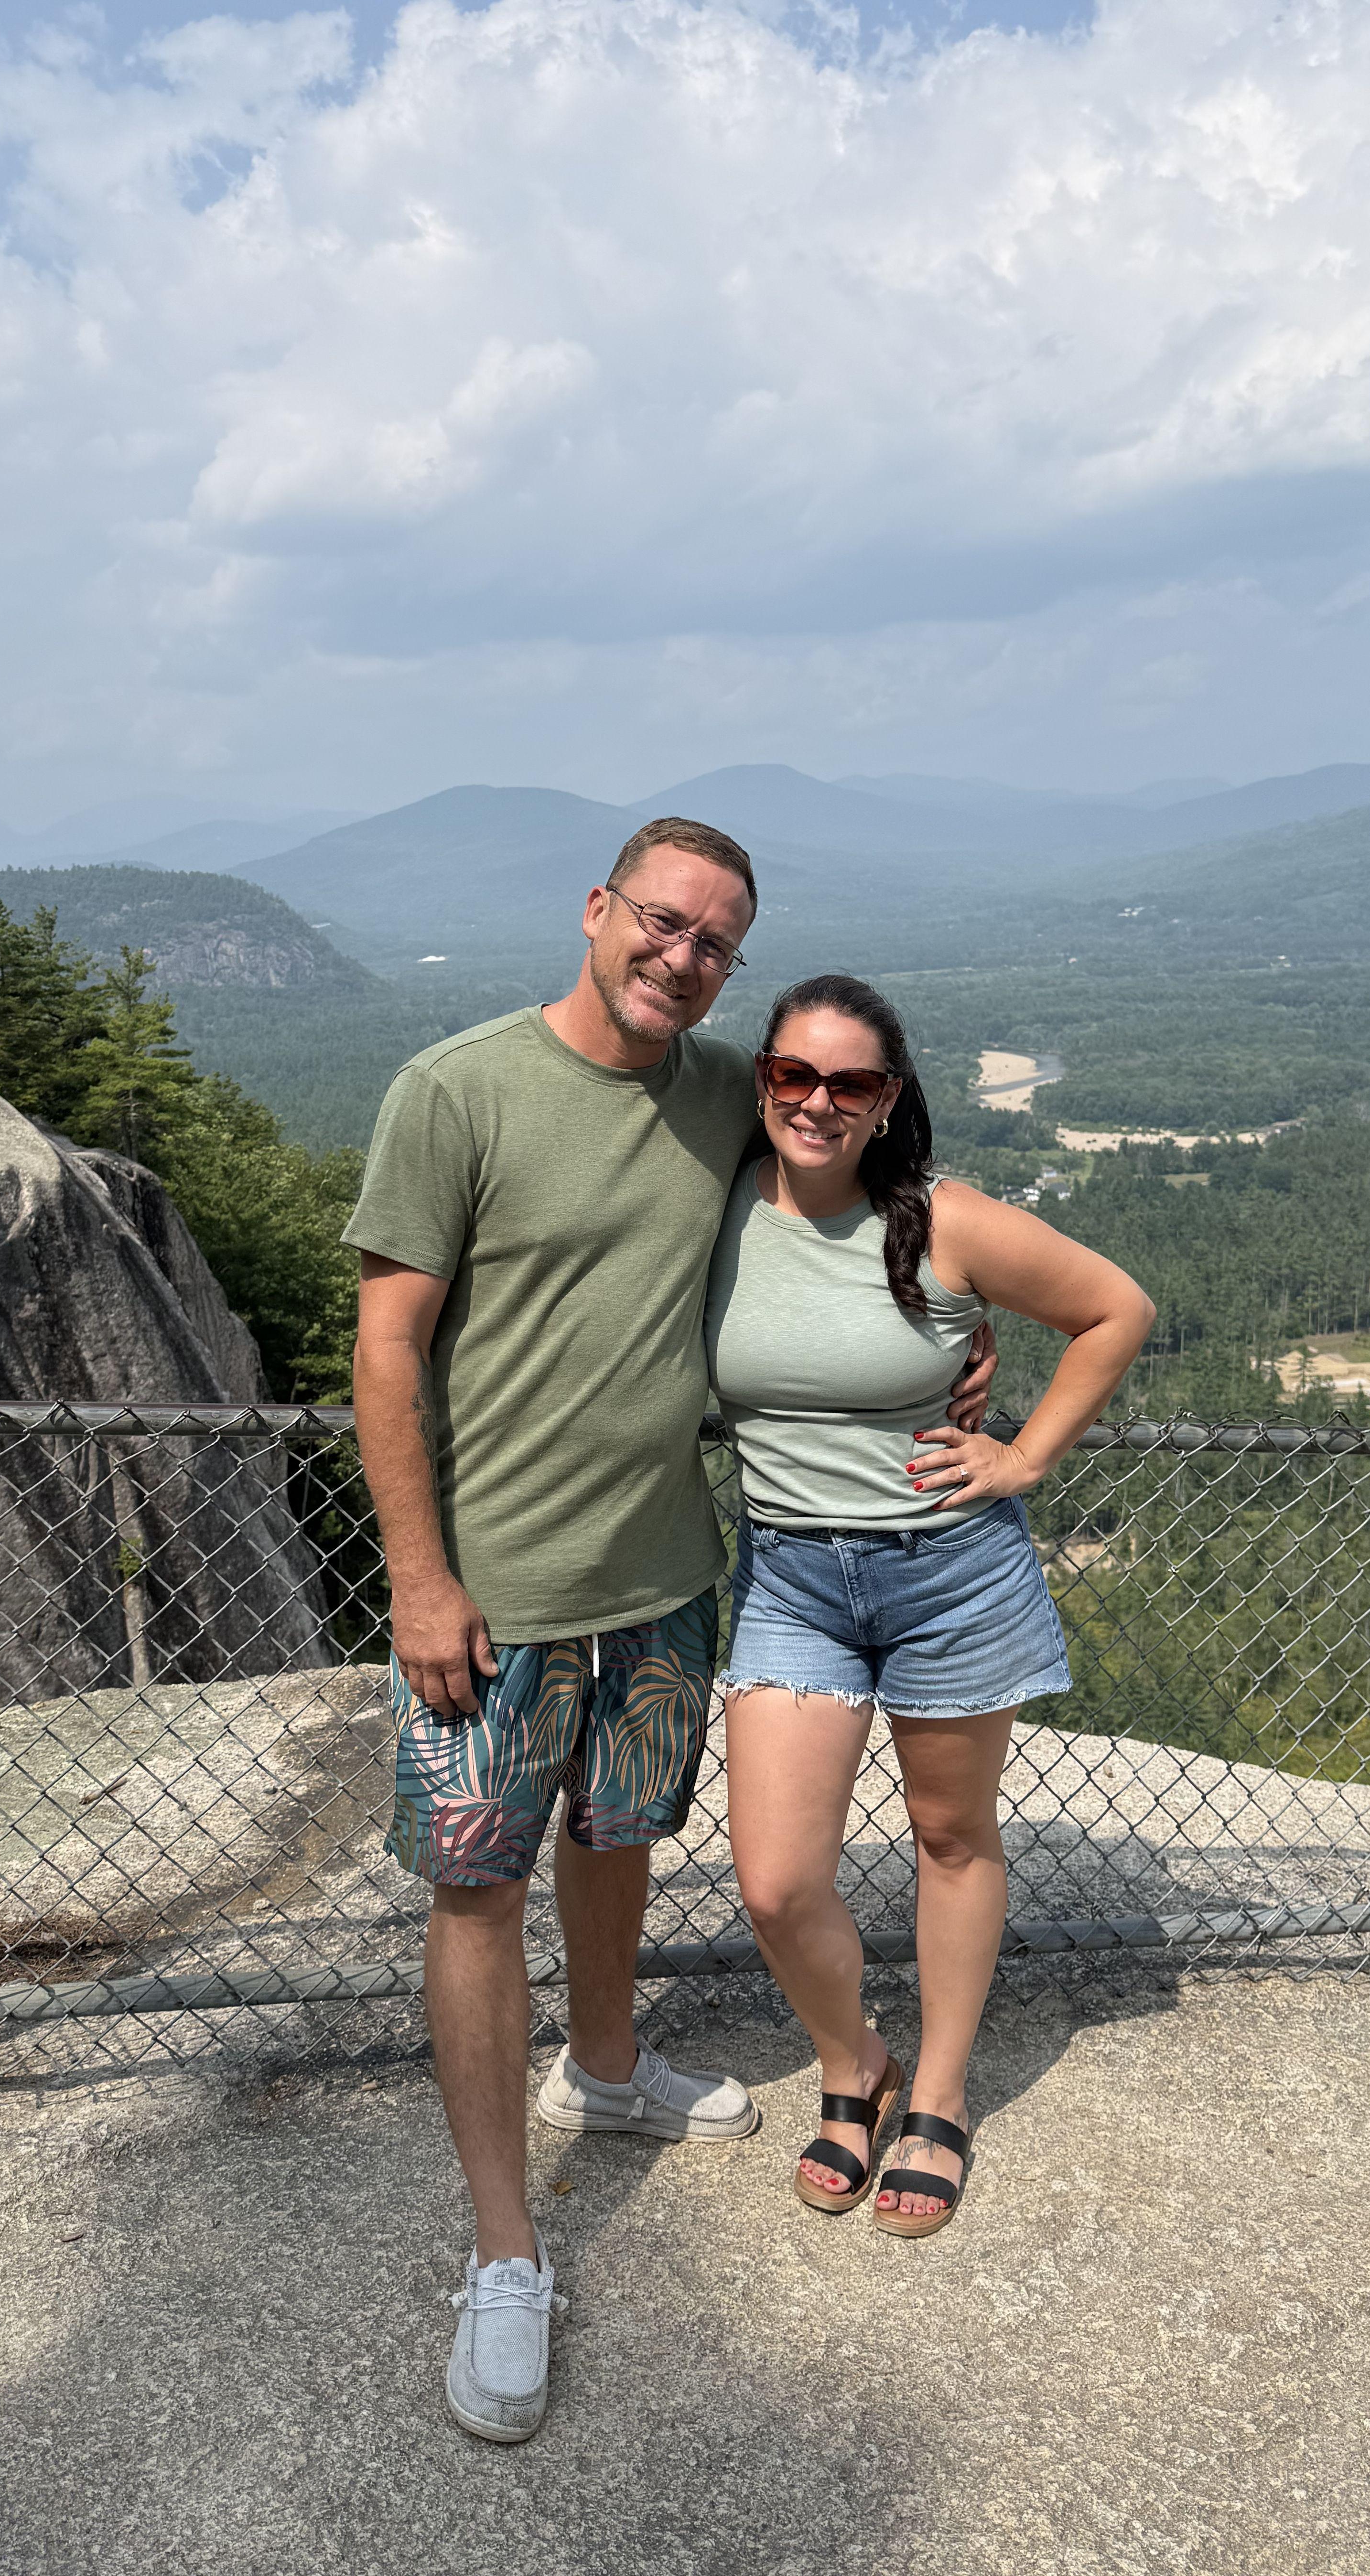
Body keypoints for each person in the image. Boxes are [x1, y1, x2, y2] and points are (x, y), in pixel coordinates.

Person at [343, 829, 993, 2441]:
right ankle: (507, 2252)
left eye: (716, 941)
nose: (682, 955)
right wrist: (418, 1578)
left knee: (617, 1835)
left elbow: (856, 1215)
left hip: (664, 1581)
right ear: (596, 913)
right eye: (661, 921)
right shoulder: (458, 1089)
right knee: (477, 1889)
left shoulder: (728, 1094)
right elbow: (384, 1346)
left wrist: (956, 1354)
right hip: (491, 1596)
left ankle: (611, 2066)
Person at [706, 973, 1154, 2239]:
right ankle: (855, 2064)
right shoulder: (716, 1210)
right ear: (762, 1081)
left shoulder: (941, 1221)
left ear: (889, 1098)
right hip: (793, 1574)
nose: (818, 1102)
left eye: (851, 1082)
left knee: (953, 1841)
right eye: (795, 1074)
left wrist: (1026, 1459)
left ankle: (940, 2092)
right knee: (779, 1880)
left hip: (949, 1572)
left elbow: (1115, 1308)